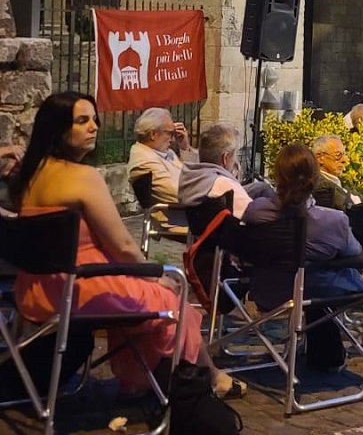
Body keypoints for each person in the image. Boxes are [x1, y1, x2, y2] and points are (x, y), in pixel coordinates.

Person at [11, 92, 243, 398]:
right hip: (80, 286)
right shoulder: (83, 178)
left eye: (94, 119)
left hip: (35, 290)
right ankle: (206, 376)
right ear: (58, 129)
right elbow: (121, 243)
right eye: (82, 121)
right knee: (172, 294)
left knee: (145, 292)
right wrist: (152, 274)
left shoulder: (30, 175)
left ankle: (140, 381)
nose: (93, 127)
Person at [246, 144, 363, 302]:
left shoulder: (255, 211)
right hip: (316, 291)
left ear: (277, 176)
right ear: (315, 178)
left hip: (265, 290)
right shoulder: (333, 221)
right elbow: (353, 250)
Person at [178, 123, 273, 218]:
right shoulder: (225, 186)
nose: (235, 160)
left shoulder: (189, 176)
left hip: (203, 228)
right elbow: (252, 214)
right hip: (229, 230)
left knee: (261, 188)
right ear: (225, 158)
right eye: (234, 155)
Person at [127, 108, 197, 203]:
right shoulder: (143, 160)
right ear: (153, 134)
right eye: (170, 133)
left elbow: (193, 172)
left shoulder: (163, 152)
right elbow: (177, 193)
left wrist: (184, 147)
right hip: (176, 214)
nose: (172, 139)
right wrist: (210, 188)